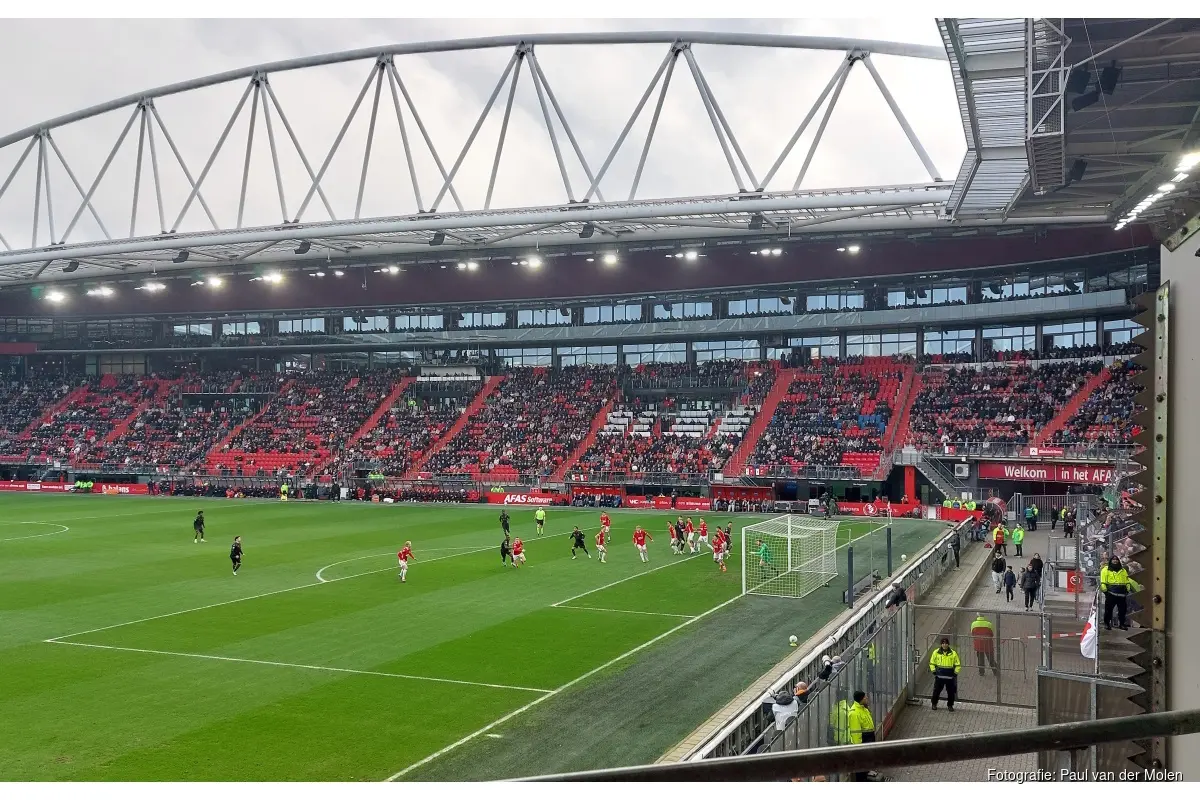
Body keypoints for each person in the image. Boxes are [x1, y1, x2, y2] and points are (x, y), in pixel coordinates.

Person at [1099, 556, 1142, 630]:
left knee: (1122, 610)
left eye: (1116, 559)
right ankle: (1107, 624)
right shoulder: (1105, 570)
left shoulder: (1123, 570)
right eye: (1113, 559)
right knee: (1108, 610)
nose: (1115, 561)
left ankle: (1122, 624)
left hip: (1122, 594)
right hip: (1111, 593)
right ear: (1110, 561)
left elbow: (1126, 581)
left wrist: (1127, 590)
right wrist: (1106, 592)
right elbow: (1103, 582)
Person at [847, 690, 877, 781]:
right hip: (863, 740)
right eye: (865, 697)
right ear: (861, 699)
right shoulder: (854, 713)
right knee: (861, 763)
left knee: (866, 760)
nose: (866, 698)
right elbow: (855, 732)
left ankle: (866, 775)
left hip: (869, 738)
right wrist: (858, 747)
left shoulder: (864, 709)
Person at [929, 636, 961, 711]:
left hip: (950, 677)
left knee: (951, 692)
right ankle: (934, 704)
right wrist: (934, 671)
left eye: (946, 643)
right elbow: (932, 663)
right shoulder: (936, 652)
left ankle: (950, 705)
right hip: (939, 677)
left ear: (948, 644)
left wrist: (955, 673)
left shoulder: (953, 653)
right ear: (941, 644)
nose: (944, 645)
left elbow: (958, 665)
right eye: (943, 643)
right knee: (936, 691)